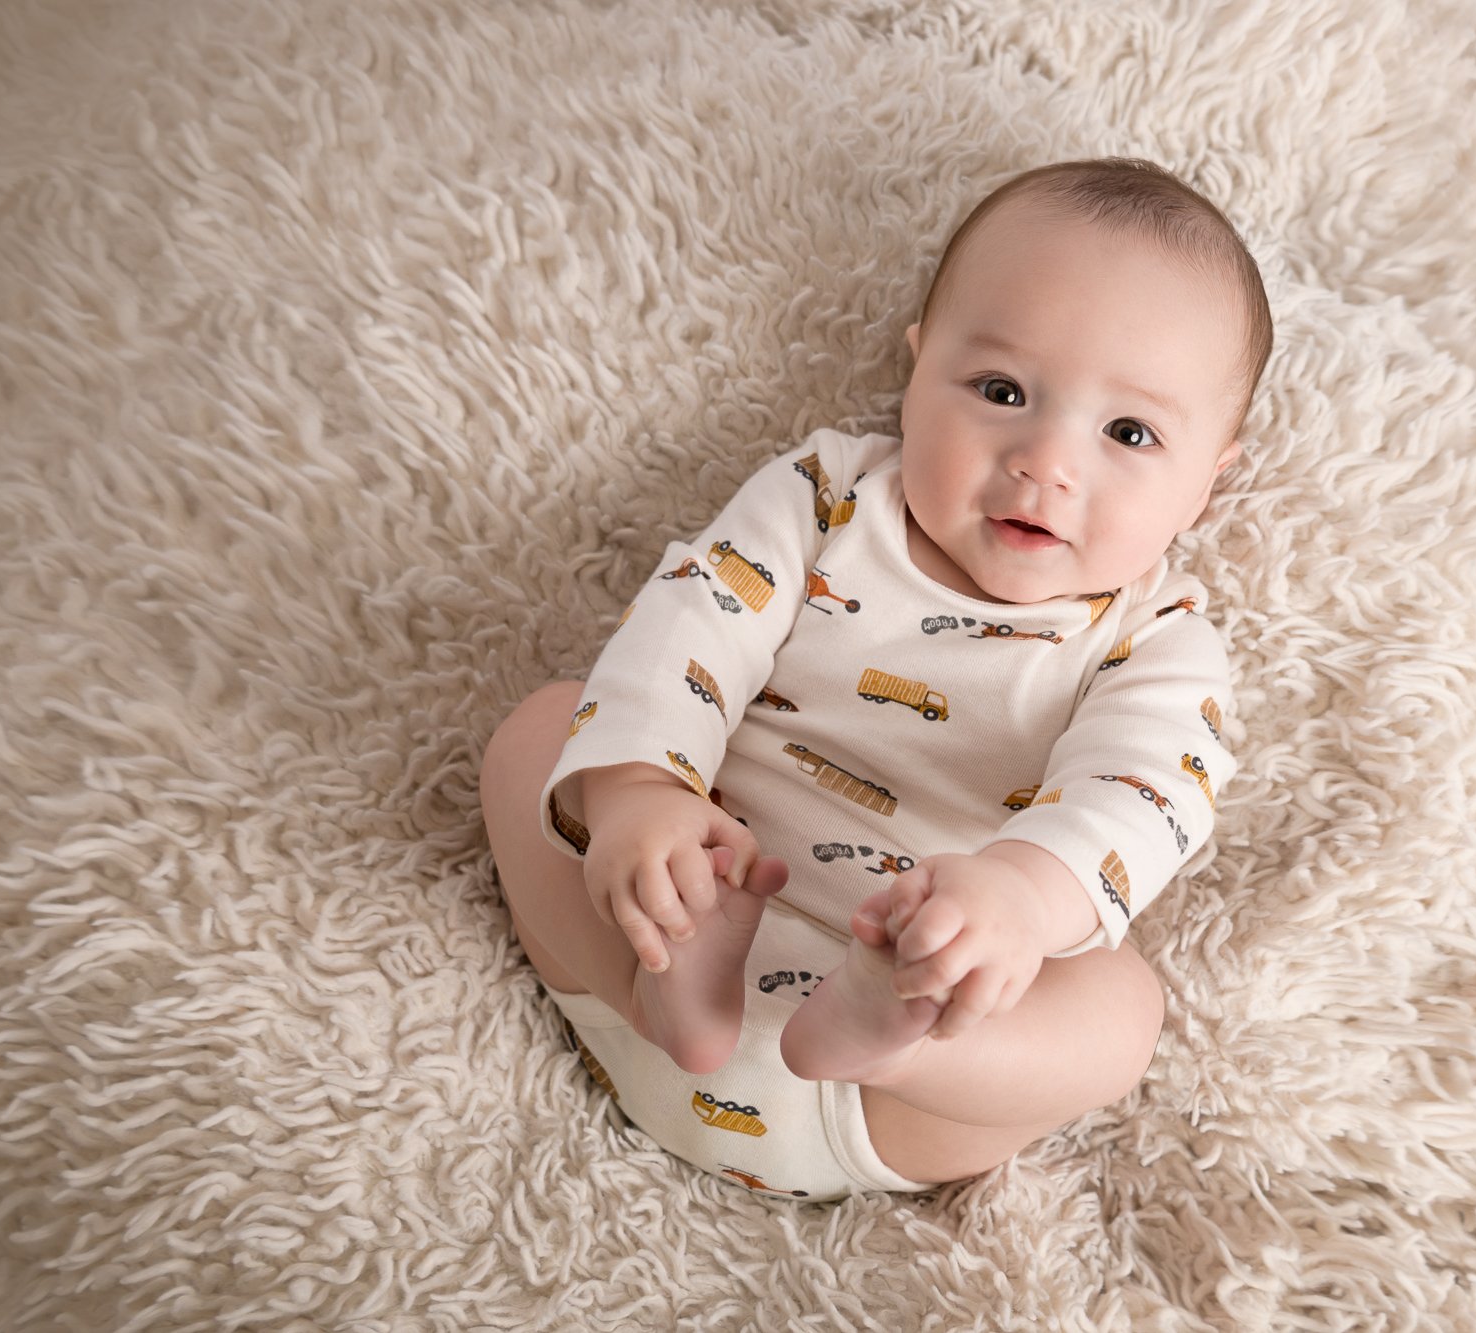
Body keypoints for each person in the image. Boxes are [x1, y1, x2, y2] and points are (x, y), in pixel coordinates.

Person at [478, 155, 1273, 1201]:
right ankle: (675, 982)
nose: (1045, 460)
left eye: (1128, 432)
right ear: (915, 370)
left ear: (1206, 483)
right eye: (1000, 391)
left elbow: (1142, 797)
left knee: (1119, 1012)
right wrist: (637, 796)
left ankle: (895, 1035)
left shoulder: (1153, 644)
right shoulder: (826, 498)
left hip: (888, 1093)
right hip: (652, 940)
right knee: (538, 735)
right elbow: (689, 624)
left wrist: (1018, 900)